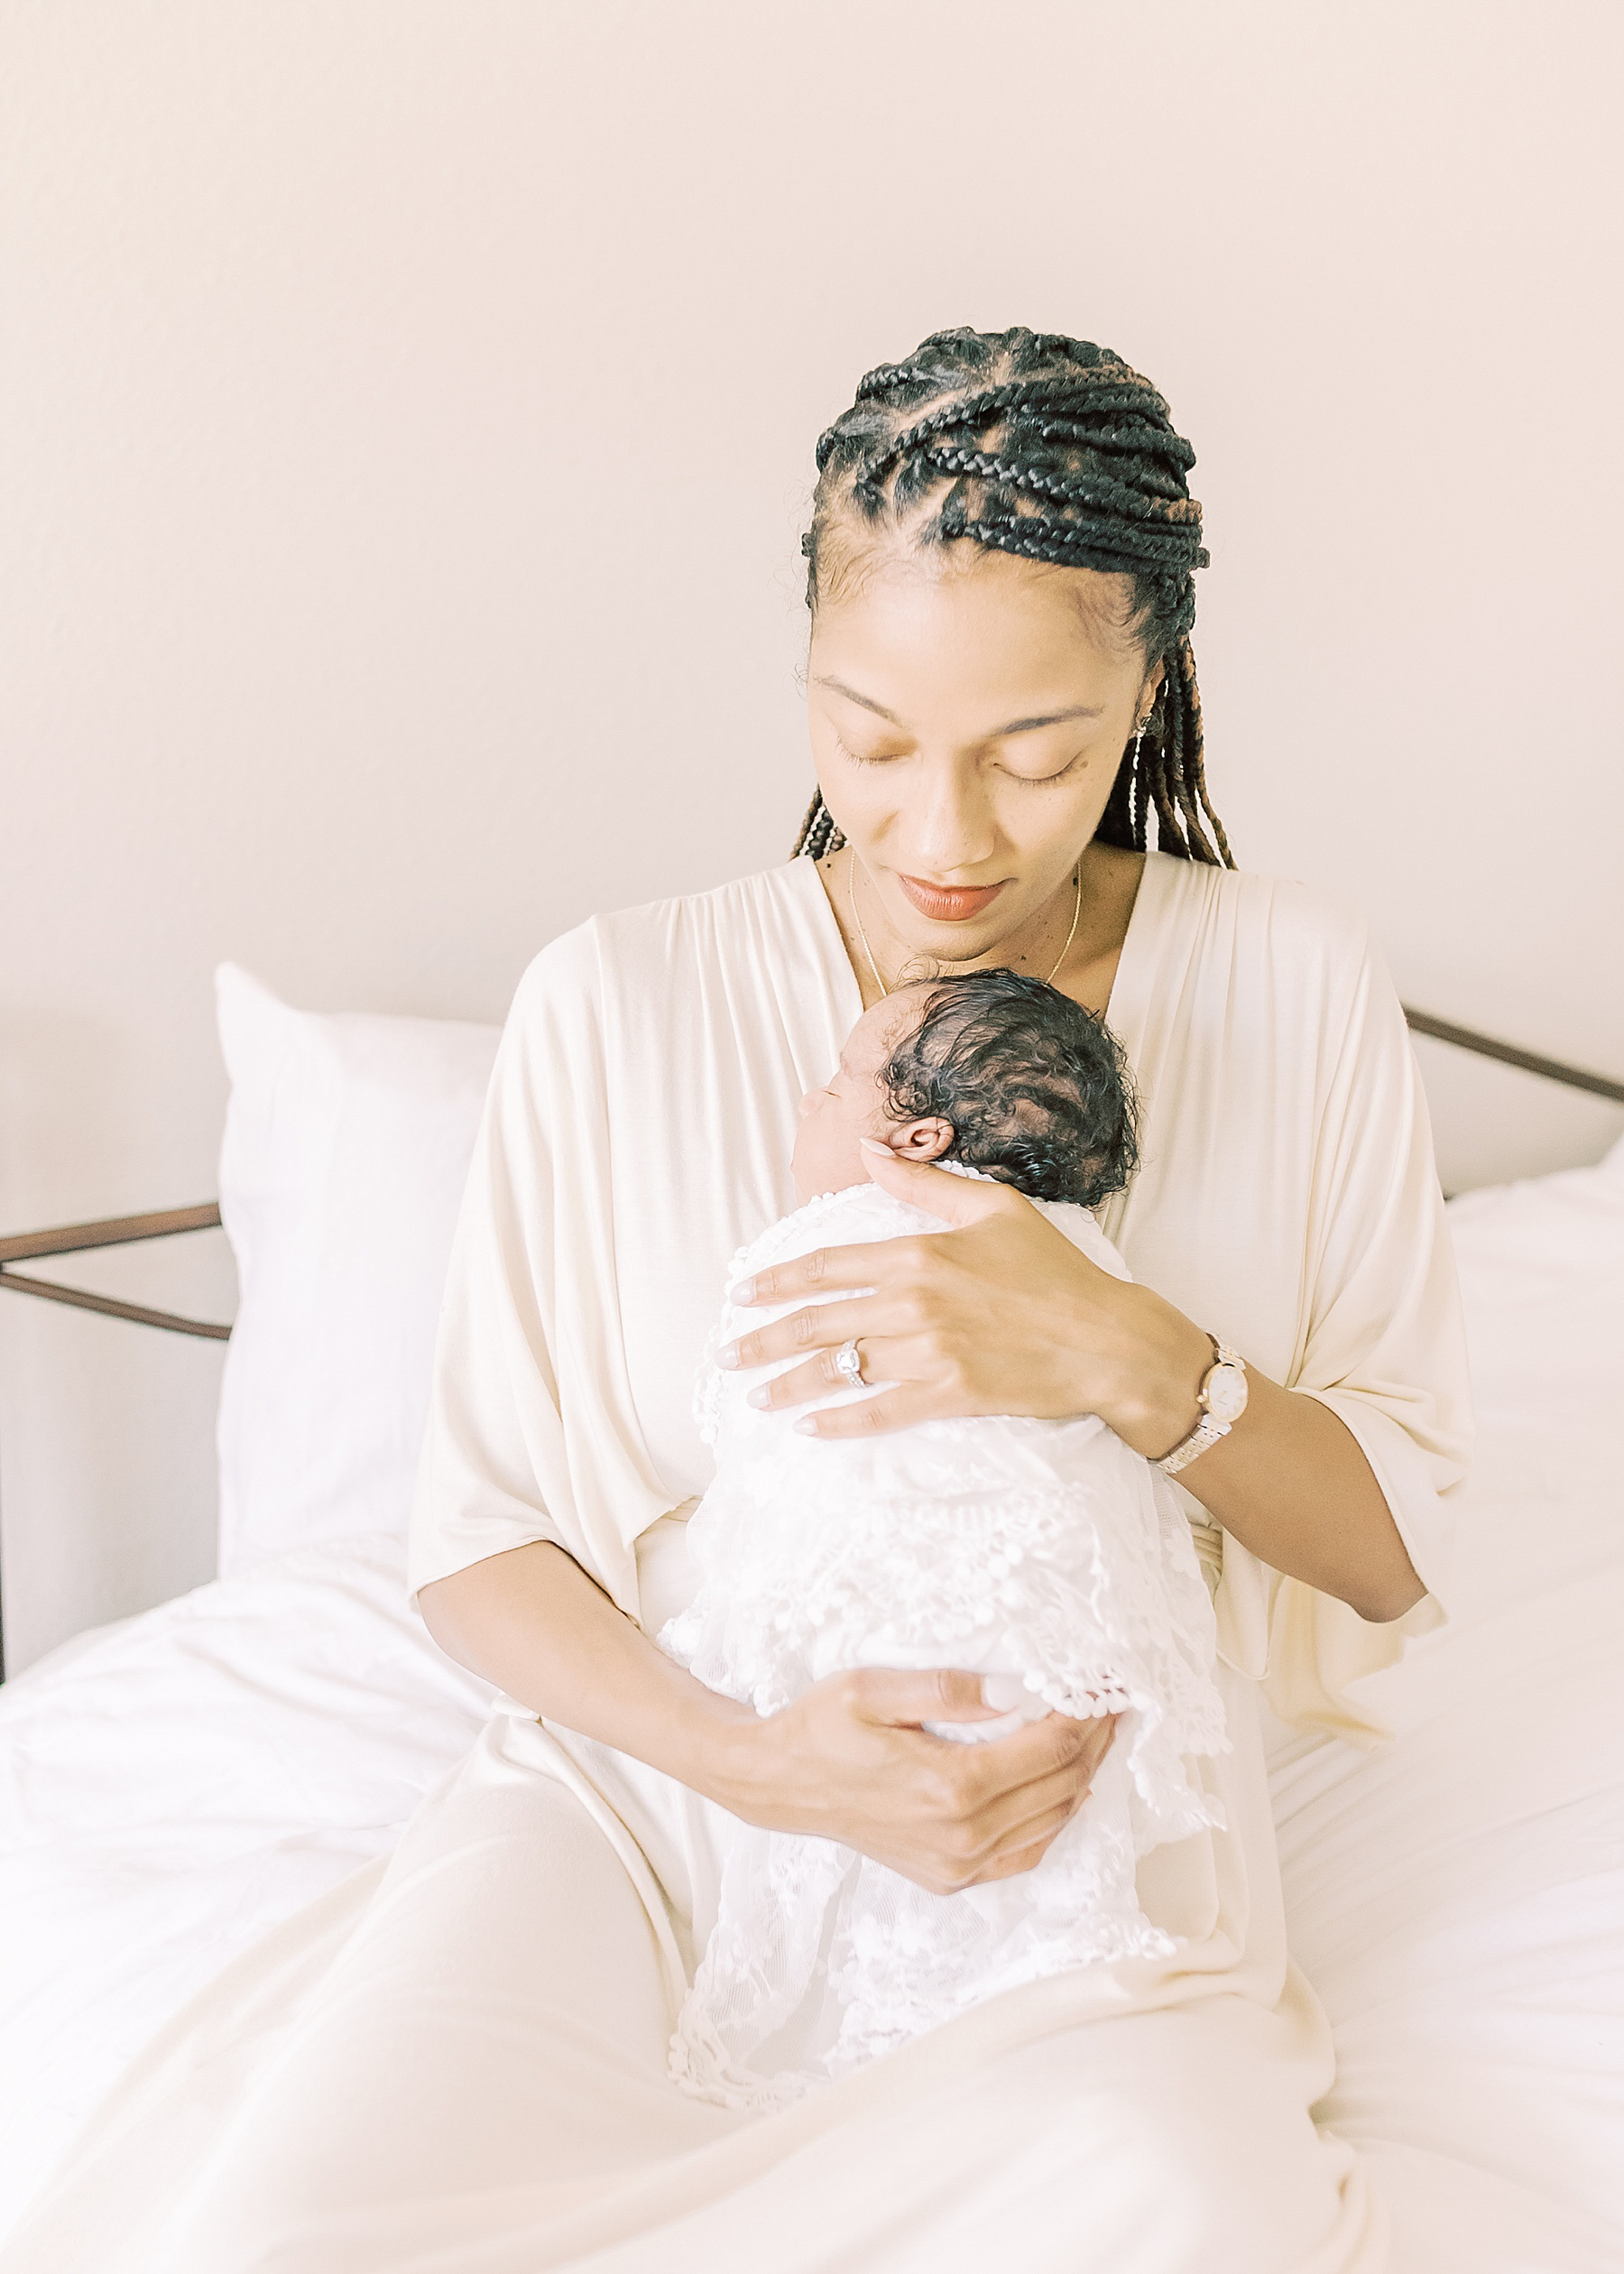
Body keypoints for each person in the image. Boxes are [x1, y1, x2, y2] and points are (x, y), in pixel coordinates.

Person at [0, 326, 1470, 2274]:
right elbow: (481, 1546)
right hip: (656, 1797)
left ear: (1153, 691)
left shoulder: (1295, 980)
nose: (945, 839)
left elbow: (1384, 1557)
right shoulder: (615, 1000)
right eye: (869, 737)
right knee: (306, 2225)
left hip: (1073, 1832)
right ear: (802, 674)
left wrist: (1136, 1360)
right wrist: (764, 1764)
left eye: (1034, 752)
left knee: (1168, 2210)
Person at [665, 970, 1230, 2111]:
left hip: (869, 1634)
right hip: (1059, 1659)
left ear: (914, 1140)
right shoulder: (1092, 1265)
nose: (808, 1103)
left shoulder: (827, 1240)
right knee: (1049, 1845)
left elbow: (742, 1404)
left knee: (859, 1880)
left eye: (834, 1086)